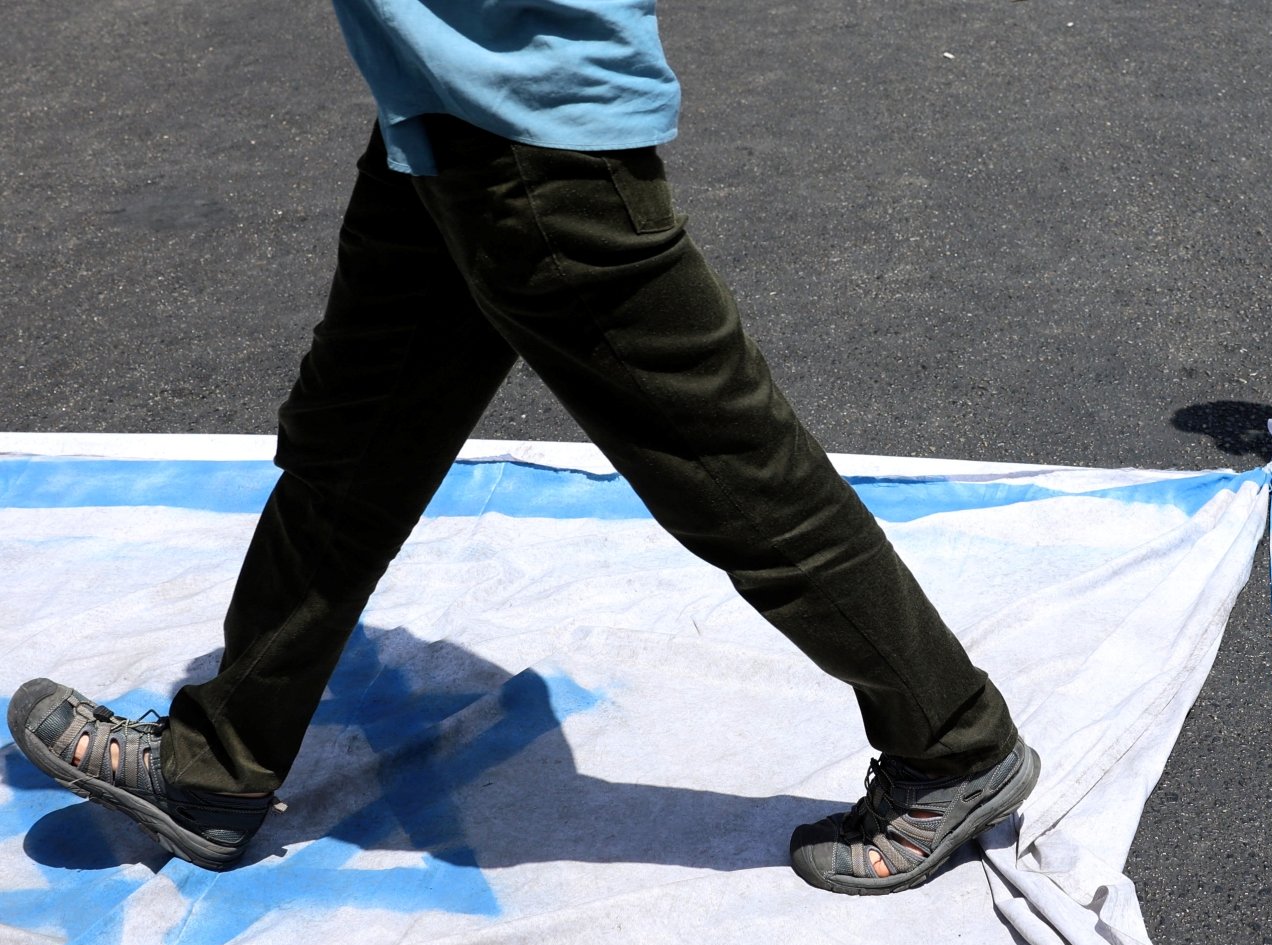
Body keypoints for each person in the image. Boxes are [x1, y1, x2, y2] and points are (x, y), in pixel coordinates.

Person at [6, 1, 1036, 894]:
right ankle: (214, 764)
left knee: (727, 466)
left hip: (532, 143)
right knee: (351, 438)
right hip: (442, 108)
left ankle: (949, 742)